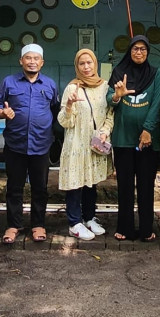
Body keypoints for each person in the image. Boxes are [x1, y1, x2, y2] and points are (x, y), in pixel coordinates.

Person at [0, 44, 60, 243]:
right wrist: (2, 113)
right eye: (28, 58)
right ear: (21, 61)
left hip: (41, 144)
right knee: (14, 187)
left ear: (42, 62)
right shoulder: (9, 82)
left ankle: (38, 225)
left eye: (36, 58)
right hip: (15, 144)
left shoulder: (49, 84)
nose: (32, 62)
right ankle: (13, 225)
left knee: (40, 188)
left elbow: (56, 110)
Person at [107, 35, 160, 242]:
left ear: (147, 52)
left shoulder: (157, 74)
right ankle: (125, 227)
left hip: (148, 141)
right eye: (135, 49)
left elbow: (157, 102)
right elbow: (109, 101)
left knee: (146, 186)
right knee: (124, 186)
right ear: (129, 51)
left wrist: (148, 129)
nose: (138, 52)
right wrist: (117, 95)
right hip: (123, 139)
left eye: (142, 49)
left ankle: (146, 228)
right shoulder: (118, 73)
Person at [58, 49, 113, 240]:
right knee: (75, 183)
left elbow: (110, 114)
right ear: (77, 66)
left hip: (95, 143)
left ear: (95, 64)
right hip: (76, 144)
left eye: (89, 62)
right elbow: (64, 122)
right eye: (82, 63)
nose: (86, 67)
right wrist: (69, 106)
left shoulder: (105, 86)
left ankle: (89, 218)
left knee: (91, 182)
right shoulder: (71, 88)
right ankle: (74, 222)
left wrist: (105, 131)